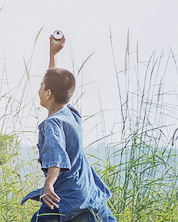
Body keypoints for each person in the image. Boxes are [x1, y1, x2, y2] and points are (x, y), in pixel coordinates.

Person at [21, 31, 116, 221]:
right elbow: (55, 82)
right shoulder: (71, 114)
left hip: (66, 196)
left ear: (47, 93)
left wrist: (49, 185)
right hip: (89, 193)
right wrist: (53, 55)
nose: (38, 90)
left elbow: (56, 156)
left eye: (41, 86)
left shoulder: (51, 124)